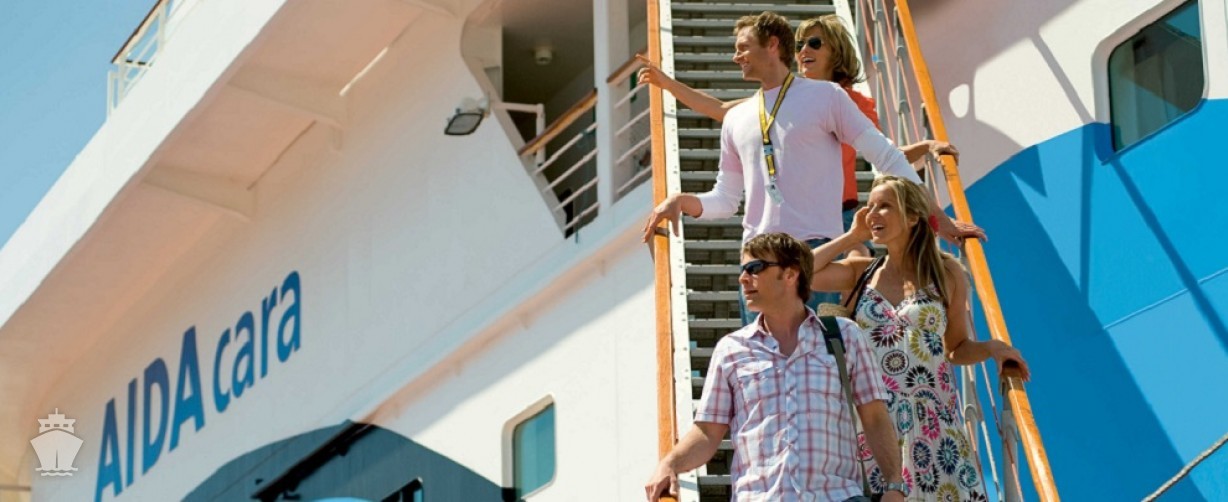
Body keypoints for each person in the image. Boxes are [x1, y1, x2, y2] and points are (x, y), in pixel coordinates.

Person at [639, 12, 982, 325]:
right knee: (761, 368)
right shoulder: (736, 118)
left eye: (743, 47)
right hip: (757, 259)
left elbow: (888, 158)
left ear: (772, 45)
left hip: (813, 253)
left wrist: (939, 220)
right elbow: (726, 199)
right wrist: (681, 201)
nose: (736, 56)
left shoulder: (827, 96)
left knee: (822, 365)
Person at [810, 176, 1031, 499]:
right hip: (872, 422)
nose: (872, 213)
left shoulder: (947, 274)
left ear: (913, 216)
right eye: (870, 206)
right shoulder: (862, 272)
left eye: (884, 206)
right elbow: (803, 275)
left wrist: (992, 348)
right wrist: (852, 237)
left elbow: (955, 348)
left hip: (932, 423)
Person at [645, 232, 908, 502]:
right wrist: (669, 464)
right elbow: (707, 432)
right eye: (742, 270)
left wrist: (895, 485)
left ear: (790, 274)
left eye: (754, 268)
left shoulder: (844, 335)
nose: (743, 278)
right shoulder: (731, 349)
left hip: (837, 496)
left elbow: (875, 417)